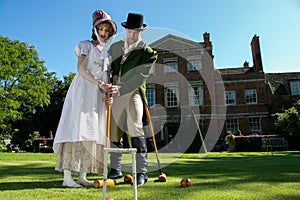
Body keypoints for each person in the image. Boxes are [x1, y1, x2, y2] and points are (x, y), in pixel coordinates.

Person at [53, 10, 118, 188]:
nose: (104, 33)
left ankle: (82, 176)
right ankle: (67, 177)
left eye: (107, 30)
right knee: (75, 128)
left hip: (96, 97)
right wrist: (100, 84)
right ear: (95, 28)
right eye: (101, 29)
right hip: (82, 92)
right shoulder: (85, 46)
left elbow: (106, 80)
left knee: (90, 131)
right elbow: (81, 69)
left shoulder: (108, 55)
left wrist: (107, 94)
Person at [108, 13, 158, 186]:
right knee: (113, 131)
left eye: (136, 31)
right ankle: (115, 170)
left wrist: (120, 87)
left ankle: (141, 173)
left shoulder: (148, 53)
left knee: (135, 126)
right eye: (129, 31)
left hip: (132, 91)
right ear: (125, 29)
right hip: (113, 93)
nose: (132, 35)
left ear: (142, 31)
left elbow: (140, 77)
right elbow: (106, 68)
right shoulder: (114, 48)